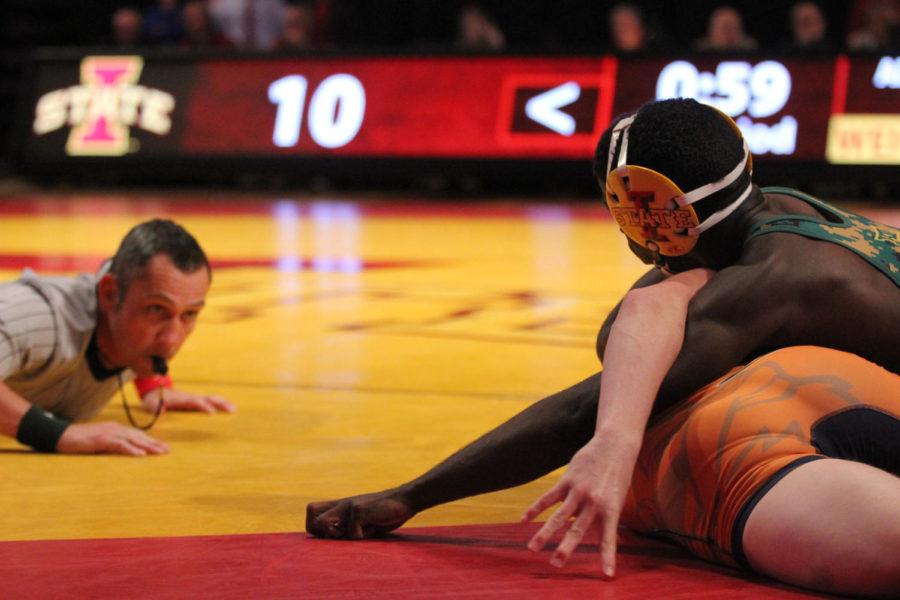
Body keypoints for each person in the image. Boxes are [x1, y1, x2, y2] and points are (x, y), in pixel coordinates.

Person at [306, 98, 900, 597]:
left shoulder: (767, 287)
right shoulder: (789, 210)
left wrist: (409, 496)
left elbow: (581, 412)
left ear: (640, 214)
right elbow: (633, 319)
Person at [0, 219, 235, 457]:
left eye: (189, 314)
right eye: (157, 309)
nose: (172, 340)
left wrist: (154, 384)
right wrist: (59, 434)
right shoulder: (41, 316)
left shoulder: (129, 320)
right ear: (109, 294)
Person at [694, 5, 758, 52]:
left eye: (734, 28)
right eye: (725, 28)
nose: (729, 33)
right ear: (712, 31)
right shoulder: (699, 53)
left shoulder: (752, 53)